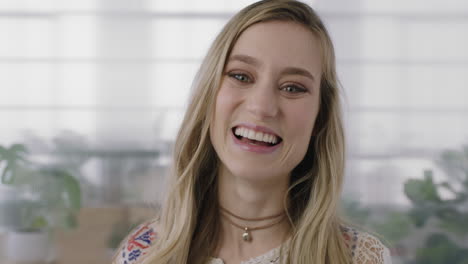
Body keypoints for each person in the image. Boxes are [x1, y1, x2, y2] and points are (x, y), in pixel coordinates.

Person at [113, 0, 392, 263]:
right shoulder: (144, 253)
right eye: (241, 76)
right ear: (209, 95)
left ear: (320, 118)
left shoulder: (359, 258)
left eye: (293, 87)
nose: (261, 107)